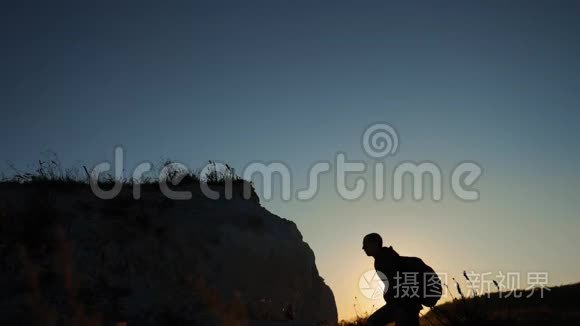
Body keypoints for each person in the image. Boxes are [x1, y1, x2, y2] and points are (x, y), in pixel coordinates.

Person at [362, 233, 422, 326]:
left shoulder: (385, 258)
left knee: (372, 322)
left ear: (375, 244)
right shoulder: (383, 257)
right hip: (403, 304)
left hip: (403, 305)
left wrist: (400, 304)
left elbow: (399, 281)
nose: (363, 248)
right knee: (372, 322)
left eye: (365, 244)